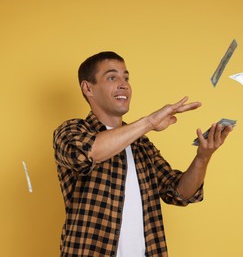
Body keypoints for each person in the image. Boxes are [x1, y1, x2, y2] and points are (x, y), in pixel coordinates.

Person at [53, 51, 233, 257]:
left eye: (126, 78)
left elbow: (179, 193)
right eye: (112, 77)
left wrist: (203, 157)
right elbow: (86, 154)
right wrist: (149, 122)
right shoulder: (71, 131)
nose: (124, 85)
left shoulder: (141, 144)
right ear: (88, 88)